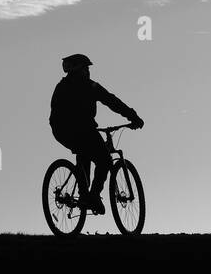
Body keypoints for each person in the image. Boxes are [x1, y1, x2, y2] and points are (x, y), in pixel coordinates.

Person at [49, 54, 144, 215]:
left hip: (63, 131)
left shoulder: (64, 86)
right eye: (86, 68)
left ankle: (85, 194)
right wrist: (133, 117)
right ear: (79, 70)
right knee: (105, 160)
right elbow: (112, 101)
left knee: (84, 154)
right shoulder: (87, 86)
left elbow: (111, 101)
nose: (88, 71)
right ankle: (92, 196)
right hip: (77, 129)